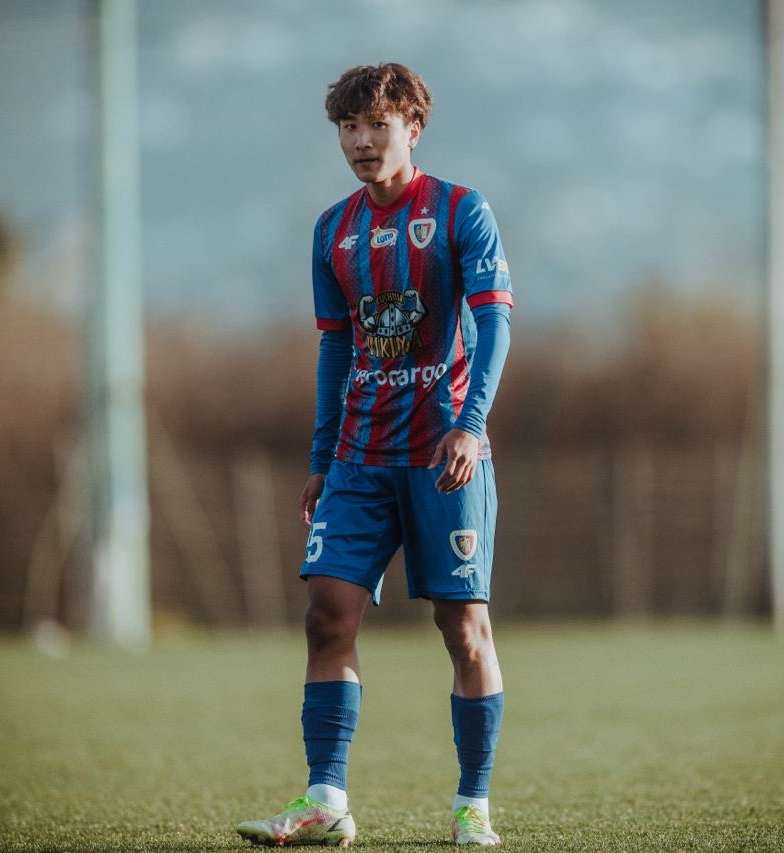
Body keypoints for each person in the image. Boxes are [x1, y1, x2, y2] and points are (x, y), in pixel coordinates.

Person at [235, 62, 513, 848]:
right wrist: (321, 458)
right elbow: (335, 348)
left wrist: (470, 423)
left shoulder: (461, 211)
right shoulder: (332, 230)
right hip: (358, 457)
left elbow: (495, 322)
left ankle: (472, 806)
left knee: (464, 628)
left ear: (412, 127)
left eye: (377, 125)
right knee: (326, 614)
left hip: (444, 457)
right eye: (348, 127)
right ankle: (326, 800)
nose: (361, 141)